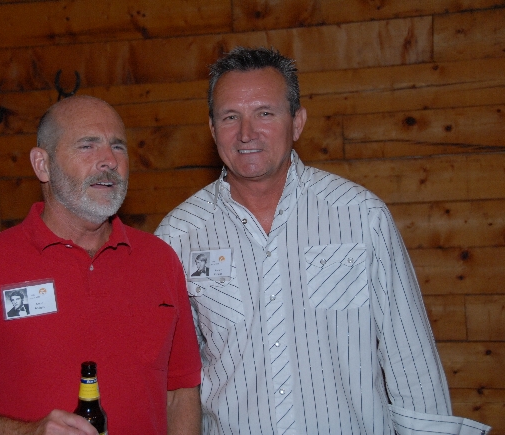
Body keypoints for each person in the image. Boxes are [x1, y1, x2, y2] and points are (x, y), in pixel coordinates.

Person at [155, 47, 491, 435]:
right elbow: (172, 380)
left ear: (297, 122)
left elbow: (409, 357)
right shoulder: (178, 236)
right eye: (231, 117)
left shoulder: (361, 217)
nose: (246, 133)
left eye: (265, 113)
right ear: (213, 130)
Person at [0, 95, 202, 435]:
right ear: (42, 165)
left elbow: (180, 393)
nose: (109, 160)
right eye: (87, 146)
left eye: (118, 147)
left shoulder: (159, 261)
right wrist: (27, 433)